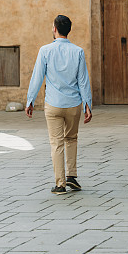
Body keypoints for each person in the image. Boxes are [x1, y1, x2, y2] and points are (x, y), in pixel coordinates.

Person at [26, 15, 93, 195]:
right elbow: (83, 81)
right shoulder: (78, 51)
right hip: (73, 104)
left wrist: (30, 100)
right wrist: (88, 104)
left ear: (54, 29)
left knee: (56, 143)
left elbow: (37, 77)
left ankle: (60, 184)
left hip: (53, 104)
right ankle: (72, 176)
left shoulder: (45, 50)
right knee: (71, 138)